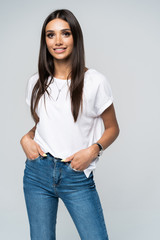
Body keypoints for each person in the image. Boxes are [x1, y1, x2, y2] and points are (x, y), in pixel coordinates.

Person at [20, 8, 120, 240]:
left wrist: (93, 151)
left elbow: (113, 128)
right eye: (50, 35)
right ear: (45, 41)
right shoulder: (35, 83)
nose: (58, 41)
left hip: (75, 174)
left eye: (65, 33)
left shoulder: (95, 81)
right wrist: (26, 137)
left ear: (75, 37)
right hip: (37, 173)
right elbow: (43, 124)